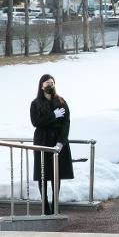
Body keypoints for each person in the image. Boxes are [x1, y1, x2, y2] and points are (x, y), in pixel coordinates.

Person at [30, 74, 74, 215]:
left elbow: (66, 123)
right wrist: (53, 116)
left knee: (56, 174)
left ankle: (55, 204)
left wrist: (61, 142)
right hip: (42, 141)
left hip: (58, 142)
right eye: (47, 83)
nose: (50, 85)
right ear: (41, 85)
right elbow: (36, 122)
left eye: (52, 83)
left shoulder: (61, 101)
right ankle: (45, 204)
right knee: (43, 174)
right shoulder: (35, 103)